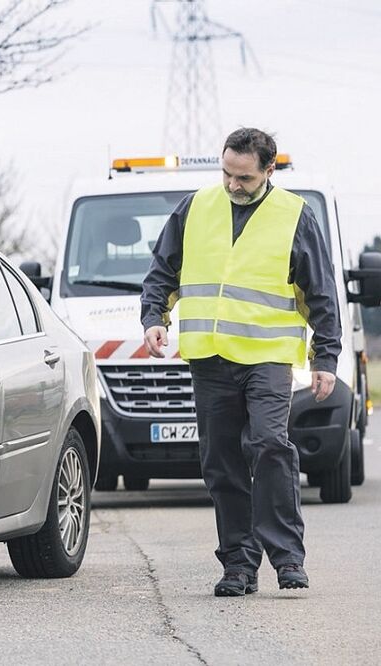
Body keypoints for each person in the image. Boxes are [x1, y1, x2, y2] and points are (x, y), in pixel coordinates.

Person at [140, 128, 341, 597]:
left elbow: (321, 293)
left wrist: (325, 357)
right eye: (227, 173)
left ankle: (287, 557)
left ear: (270, 170)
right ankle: (238, 565)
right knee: (221, 462)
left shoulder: (295, 216)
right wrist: (155, 317)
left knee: (270, 444)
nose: (233, 185)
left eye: (245, 178)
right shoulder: (195, 207)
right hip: (209, 356)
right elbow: (162, 271)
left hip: (267, 358)